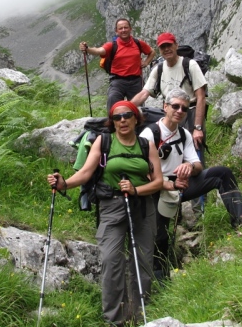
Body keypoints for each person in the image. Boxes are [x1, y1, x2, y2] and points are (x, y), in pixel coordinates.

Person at [47, 101, 163, 326]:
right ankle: (114, 319)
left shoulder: (146, 145)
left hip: (143, 207)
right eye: (117, 117)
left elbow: (158, 181)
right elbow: (86, 172)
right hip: (111, 205)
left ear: (136, 119)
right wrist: (64, 184)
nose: (122, 120)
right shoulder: (104, 141)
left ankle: (138, 316)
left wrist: (136, 189)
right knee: (111, 260)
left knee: (143, 262)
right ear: (112, 122)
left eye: (127, 115)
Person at [139, 88, 242, 281]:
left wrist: (188, 167)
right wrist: (167, 184)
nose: (180, 111)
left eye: (184, 108)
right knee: (161, 236)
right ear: (165, 107)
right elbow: (141, 172)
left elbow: (198, 164)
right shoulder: (150, 134)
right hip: (156, 187)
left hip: (181, 183)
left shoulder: (184, 134)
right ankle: (160, 281)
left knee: (221, 174)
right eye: (175, 106)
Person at [131, 32, 207, 158]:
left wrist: (198, 128)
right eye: (162, 47)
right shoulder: (158, 69)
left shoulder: (190, 65)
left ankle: (197, 175)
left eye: (169, 45)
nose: (166, 49)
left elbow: (201, 97)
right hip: (170, 114)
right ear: (159, 50)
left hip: (190, 113)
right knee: (174, 151)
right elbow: (144, 93)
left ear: (176, 45)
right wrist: (126, 107)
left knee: (194, 151)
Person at [81, 19, 155, 113]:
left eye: (126, 27)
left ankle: (137, 126)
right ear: (116, 31)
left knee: (137, 110)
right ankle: (112, 125)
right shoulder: (112, 45)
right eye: (120, 28)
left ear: (130, 29)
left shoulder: (138, 43)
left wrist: (146, 62)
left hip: (136, 81)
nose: (123, 30)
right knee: (113, 104)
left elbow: (151, 52)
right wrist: (88, 49)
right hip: (117, 81)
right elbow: (99, 51)